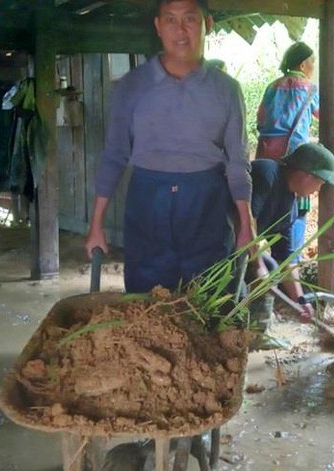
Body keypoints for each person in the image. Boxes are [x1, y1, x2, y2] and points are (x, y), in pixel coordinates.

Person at [84, 0, 253, 294]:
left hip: (207, 204)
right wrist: (95, 225)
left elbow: (238, 162)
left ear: (207, 25)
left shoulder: (226, 89)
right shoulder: (132, 86)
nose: (180, 30)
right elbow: (114, 155)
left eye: (190, 19)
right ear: (158, 27)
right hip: (148, 201)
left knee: (211, 301)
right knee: (147, 303)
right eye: (171, 20)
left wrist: (246, 223)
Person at [249, 143, 334, 339]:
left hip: (240, 246)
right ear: (305, 175)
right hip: (215, 236)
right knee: (265, 268)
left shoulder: (289, 208)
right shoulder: (267, 174)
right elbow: (247, 220)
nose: (318, 189)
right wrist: (257, 266)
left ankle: (256, 335)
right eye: (320, 183)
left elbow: (287, 258)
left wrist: (299, 300)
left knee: (271, 267)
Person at [255, 41, 320, 275]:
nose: (314, 66)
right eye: (313, 62)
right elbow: (327, 116)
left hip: (266, 155)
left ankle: (266, 258)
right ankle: (291, 261)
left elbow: (261, 119)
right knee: (296, 208)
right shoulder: (309, 88)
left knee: (269, 204)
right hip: (294, 157)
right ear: (303, 64)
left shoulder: (272, 86)